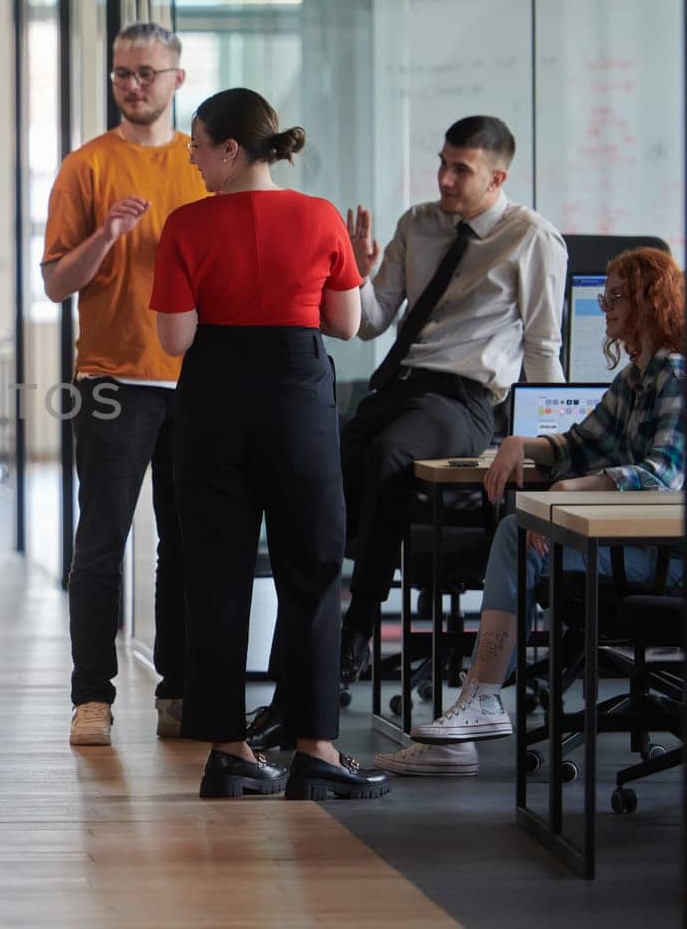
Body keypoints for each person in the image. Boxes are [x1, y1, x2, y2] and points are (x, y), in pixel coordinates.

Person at [248, 115, 568, 751]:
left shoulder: (532, 239)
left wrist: (550, 448)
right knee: (320, 467)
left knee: (394, 454)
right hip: (398, 390)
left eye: (462, 170)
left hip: (466, 401)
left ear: (497, 176)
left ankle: (360, 626)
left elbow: (542, 351)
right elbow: (367, 322)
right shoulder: (419, 223)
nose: (445, 179)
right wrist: (351, 270)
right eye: (442, 164)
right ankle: (297, 663)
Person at [153, 87, 390, 800]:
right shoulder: (320, 218)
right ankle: (316, 749)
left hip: (213, 399)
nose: (191, 160)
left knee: (215, 576)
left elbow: (175, 339)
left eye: (196, 146)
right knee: (313, 571)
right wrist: (347, 269)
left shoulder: (186, 226)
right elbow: (346, 326)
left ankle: (230, 752)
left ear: (230, 149)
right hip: (295, 399)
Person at [376, 247, 685, 776]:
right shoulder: (635, 378)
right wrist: (524, 443)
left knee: (518, 533)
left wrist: (566, 493)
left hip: (663, 555)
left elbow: (661, 477)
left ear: (647, 303)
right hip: (626, 545)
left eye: (616, 297)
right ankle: (472, 715)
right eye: (603, 296)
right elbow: (579, 443)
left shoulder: (673, 374)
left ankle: (476, 709)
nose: (605, 308)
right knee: (518, 531)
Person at [40, 22, 209, 747]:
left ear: (177, 79)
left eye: (146, 73)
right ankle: (91, 698)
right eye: (121, 75)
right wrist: (106, 235)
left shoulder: (202, 166)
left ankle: (177, 691)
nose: (132, 86)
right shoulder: (87, 168)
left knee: (185, 544)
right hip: (111, 380)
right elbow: (54, 284)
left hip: (196, 381)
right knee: (101, 541)